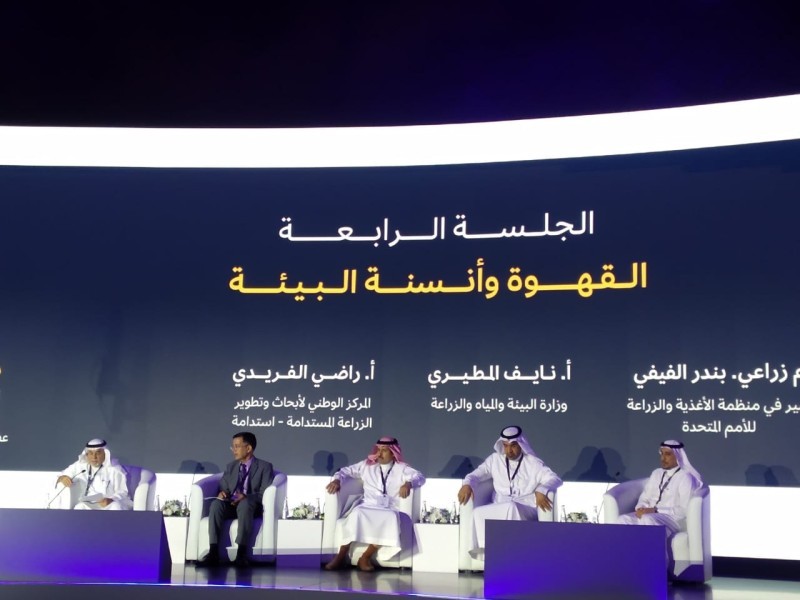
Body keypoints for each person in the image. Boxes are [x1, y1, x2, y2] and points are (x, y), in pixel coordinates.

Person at [458, 425, 562, 559]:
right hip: (499, 504)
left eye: (513, 446)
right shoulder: (495, 459)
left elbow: (555, 479)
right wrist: (467, 484)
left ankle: (515, 553)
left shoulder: (533, 463)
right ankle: (487, 552)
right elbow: (475, 475)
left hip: (525, 506)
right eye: (505, 446)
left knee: (512, 506)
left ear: (521, 445)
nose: (509, 450)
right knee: (477, 512)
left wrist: (541, 489)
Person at [324, 436, 425, 572]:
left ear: (393, 453)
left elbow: (420, 477)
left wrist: (408, 483)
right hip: (368, 505)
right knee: (357, 514)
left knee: (389, 518)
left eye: (384, 450)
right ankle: (340, 557)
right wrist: (337, 480)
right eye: (378, 449)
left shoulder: (402, 469)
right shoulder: (366, 465)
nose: (379, 453)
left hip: (389, 507)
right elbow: (344, 471)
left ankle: (365, 557)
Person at [198, 431, 275, 567]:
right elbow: (224, 486)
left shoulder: (265, 467)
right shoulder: (231, 466)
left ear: (248, 448)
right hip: (232, 504)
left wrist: (246, 496)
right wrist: (223, 493)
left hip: (251, 506)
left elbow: (264, 493)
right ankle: (213, 552)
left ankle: (241, 553)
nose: (234, 450)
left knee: (245, 504)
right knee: (216, 504)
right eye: (232, 446)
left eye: (237, 446)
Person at [616, 440, 702, 535]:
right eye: (661, 453)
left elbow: (684, 509)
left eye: (668, 454)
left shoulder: (685, 477)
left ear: (678, 456)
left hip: (672, 518)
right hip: (649, 514)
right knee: (622, 520)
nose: (663, 458)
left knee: (647, 519)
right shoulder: (656, 473)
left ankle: (653, 545)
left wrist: (656, 510)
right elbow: (645, 497)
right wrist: (641, 508)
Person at [53, 438, 133, 510]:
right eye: (91, 453)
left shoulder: (114, 469)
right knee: (79, 507)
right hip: (87, 504)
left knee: (116, 507)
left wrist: (111, 499)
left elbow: (122, 491)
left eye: (98, 453)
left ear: (105, 453)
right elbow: (61, 475)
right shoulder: (80, 466)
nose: (94, 457)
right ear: (86, 454)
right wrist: (63, 478)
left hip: (107, 504)